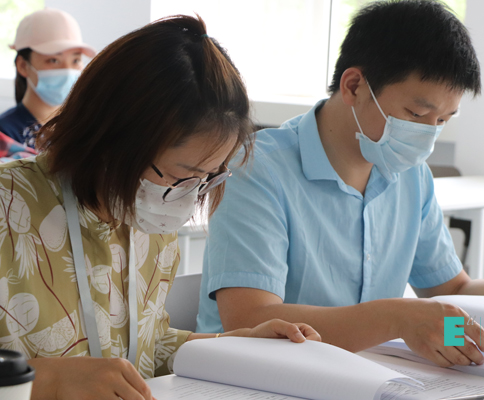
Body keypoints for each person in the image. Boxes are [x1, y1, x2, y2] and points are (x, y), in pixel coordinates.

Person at [198, 0, 484, 368]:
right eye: (417, 114)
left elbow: (452, 289)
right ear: (354, 86)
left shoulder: (410, 174)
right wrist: (396, 318)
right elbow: (250, 320)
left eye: (443, 121)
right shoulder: (255, 168)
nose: (428, 134)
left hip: (367, 375)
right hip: (255, 377)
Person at [0, 15, 319, 400]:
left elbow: (144, 348)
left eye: (207, 178)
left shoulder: (148, 221)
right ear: (112, 138)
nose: (186, 196)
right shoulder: (9, 206)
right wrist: (47, 380)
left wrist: (237, 345)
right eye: (180, 175)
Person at [0, 8, 95, 148]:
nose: (67, 70)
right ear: (23, 66)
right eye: (54, 60)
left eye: (75, 60)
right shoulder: (5, 134)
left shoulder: (85, 126)